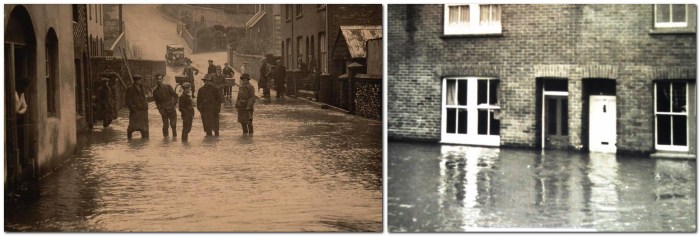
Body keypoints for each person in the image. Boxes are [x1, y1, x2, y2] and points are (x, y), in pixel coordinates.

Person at [126, 75, 149, 139]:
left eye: (139, 80)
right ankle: (129, 140)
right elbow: (128, 100)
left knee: (144, 128)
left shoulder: (142, 88)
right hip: (135, 111)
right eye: (137, 80)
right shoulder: (130, 88)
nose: (139, 82)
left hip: (143, 111)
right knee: (132, 127)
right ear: (134, 81)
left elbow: (144, 97)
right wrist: (133, 109)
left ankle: (145, 141)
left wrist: (146, 105)